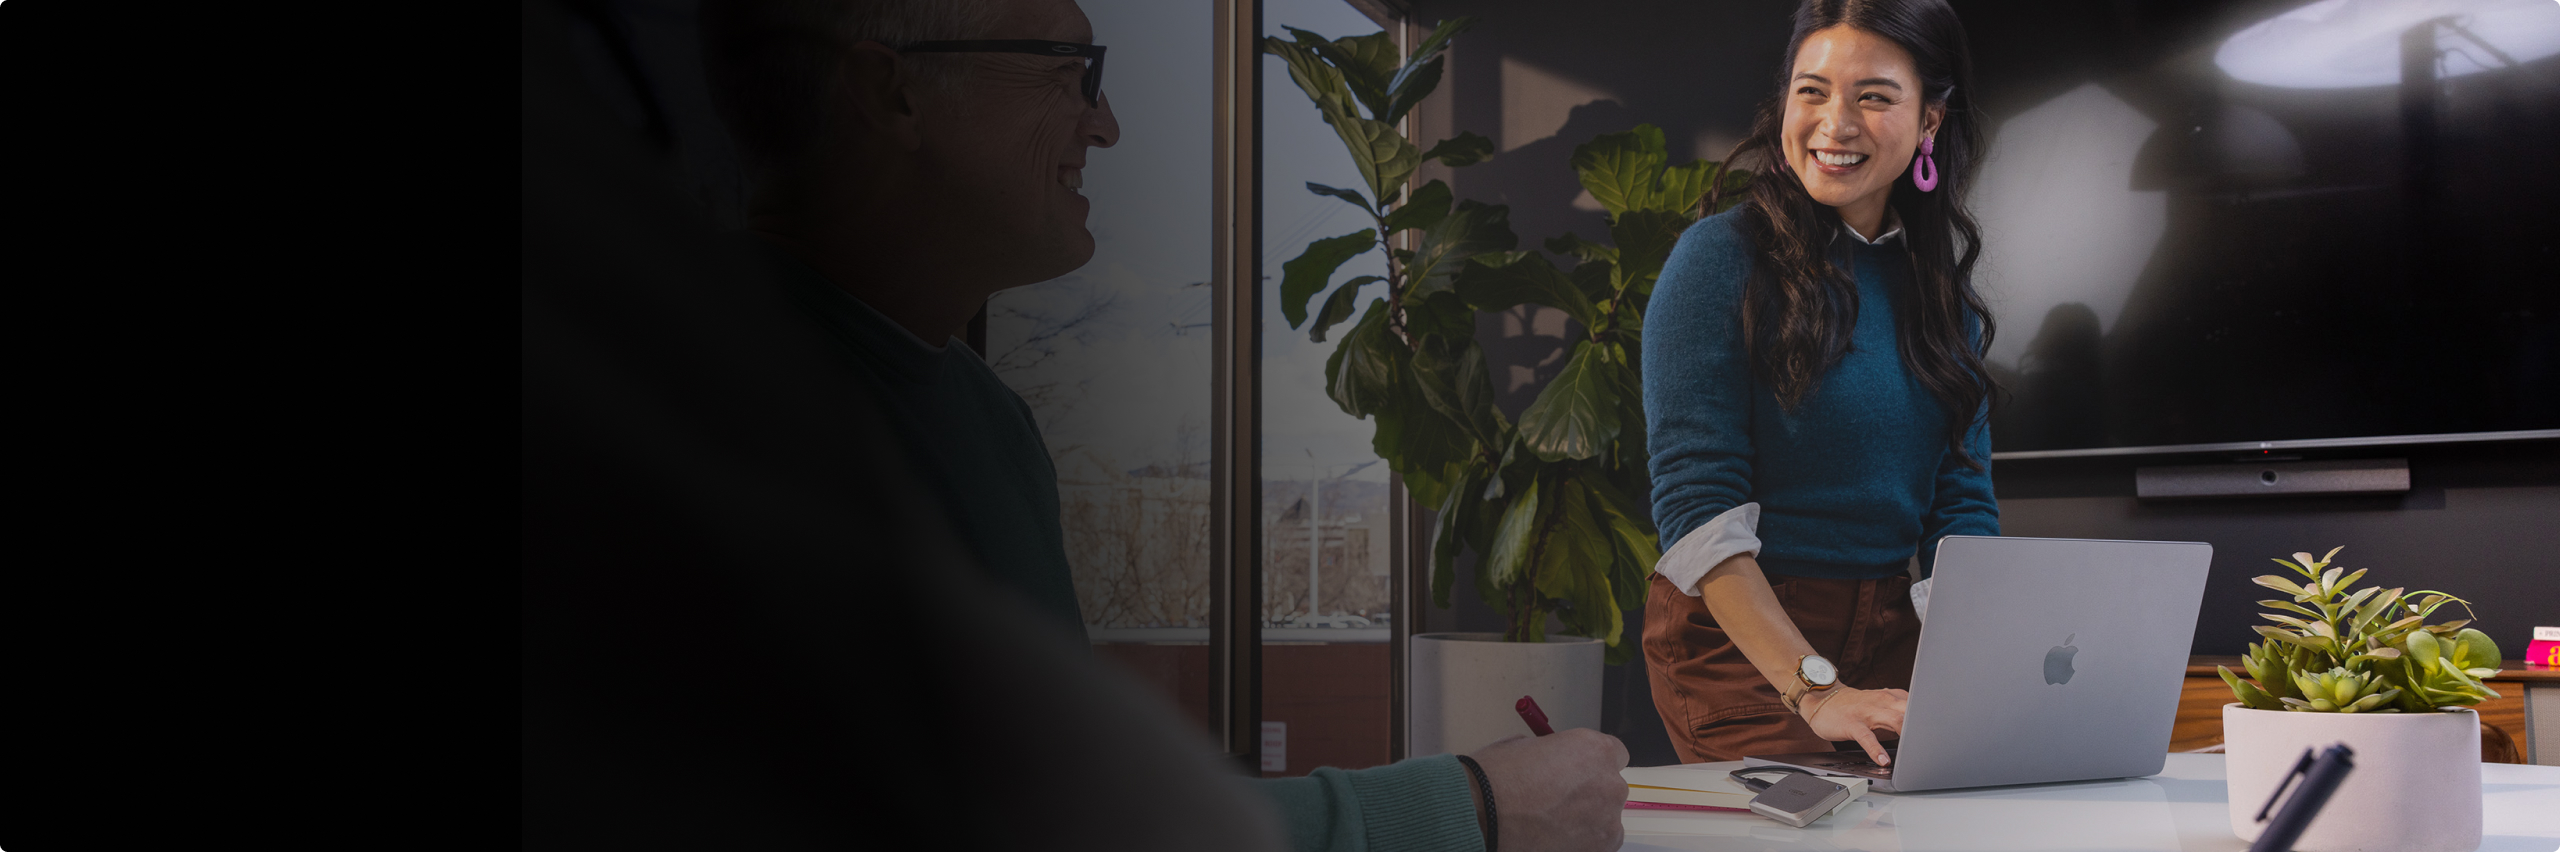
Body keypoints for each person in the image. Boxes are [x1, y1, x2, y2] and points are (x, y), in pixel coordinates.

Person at [690, 0, 1631, 849]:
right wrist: (1470, 806)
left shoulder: (984, 416)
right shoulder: (712, 412)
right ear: (889, 95)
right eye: (1068, 72)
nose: (1103, 123)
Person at [1640, 0, 1999, 765]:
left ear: (1930, 120)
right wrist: (1816, 689)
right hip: (1741, 642)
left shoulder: (1941, 297)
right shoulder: (1718, 259)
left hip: (1889, 626)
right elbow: (1696, 507)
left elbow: (1962, 507)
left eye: (1873, 96)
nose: (1834, 123)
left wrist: (1981, 671)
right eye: (1812, 91)